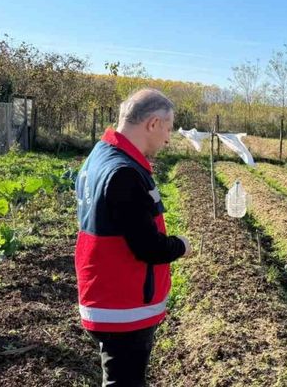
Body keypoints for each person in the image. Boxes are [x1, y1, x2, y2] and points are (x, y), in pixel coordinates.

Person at [74, 88, 191, 386]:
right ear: (153, 123)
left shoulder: (99, 156)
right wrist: (181, 246)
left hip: (104, 293)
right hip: (122, 305)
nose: (168, 138)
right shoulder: (123, 173)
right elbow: (148, 247)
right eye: (168, 128)